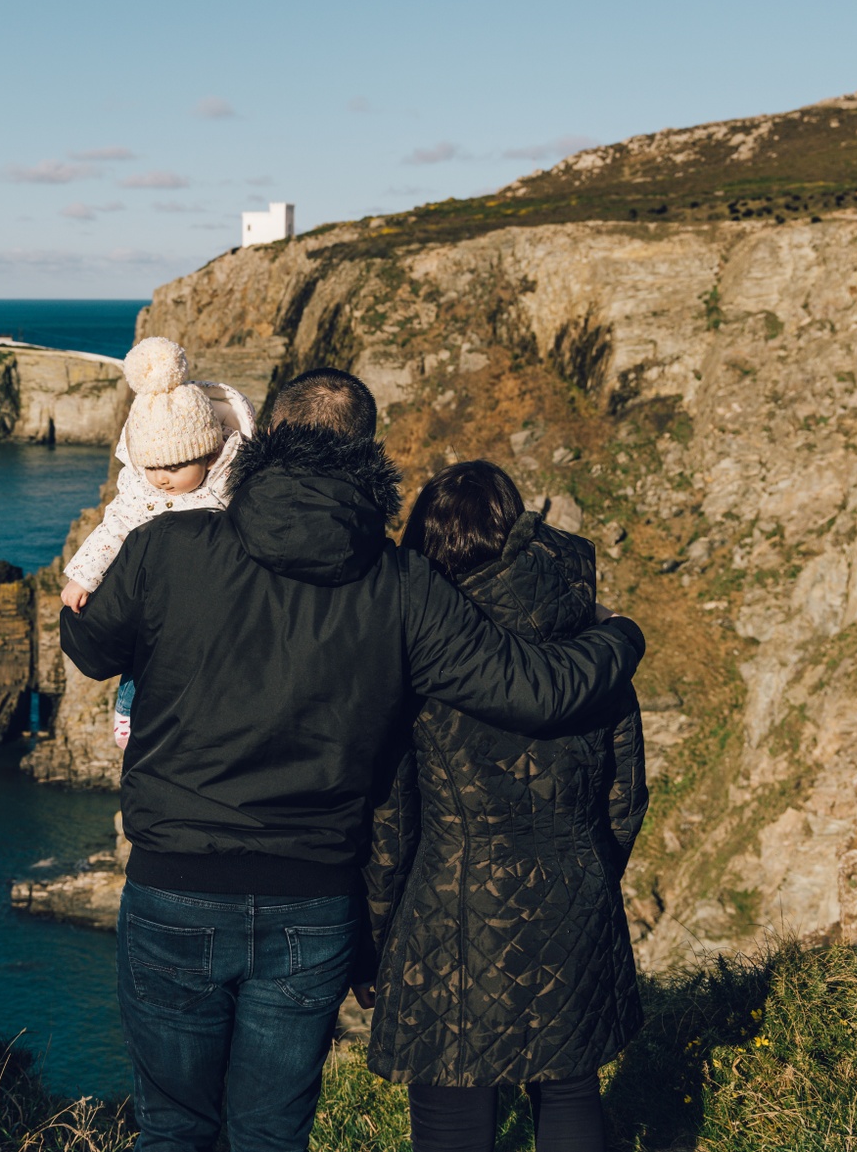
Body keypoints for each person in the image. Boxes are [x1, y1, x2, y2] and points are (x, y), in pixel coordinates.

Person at [59, 368, 645, 1152]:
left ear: (265, 437)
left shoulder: (166, 547)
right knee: (271, 1135)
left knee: (174, 1129)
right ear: (368, 453)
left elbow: (89, 646)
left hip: (177, 885)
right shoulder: (403, 584)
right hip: (311, 900)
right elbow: (533, 690)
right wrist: (620, 635)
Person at [362, 460, 647, 1152]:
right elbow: (625, 795)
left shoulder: (423, 655)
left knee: (453, 1105)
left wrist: (373, 942)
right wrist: (588, 872)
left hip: (450, 912)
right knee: (571, 1092)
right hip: (574, 892)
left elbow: (391, 821)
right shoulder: (594, 645)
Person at [61, 336, 255, 747]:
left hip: (214, 595)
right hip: (161, 597)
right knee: (143, 648)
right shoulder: (141, 489)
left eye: (175, 466)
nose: (162, 478)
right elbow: (114, 527)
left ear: (209, 454)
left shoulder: (233, 481)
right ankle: (127, 706)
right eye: (152, 466)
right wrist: (83, 577)